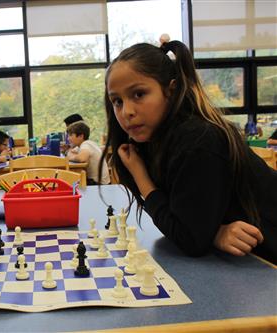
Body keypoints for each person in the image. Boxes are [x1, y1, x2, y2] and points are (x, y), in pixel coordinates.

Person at [103, 41, 277, 263]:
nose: (127, 111)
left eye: (139, 94)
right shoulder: (153, 143)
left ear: (171, 90)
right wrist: (211, 233)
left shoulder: (197, 139)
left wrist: (140, 175)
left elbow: (190, 240)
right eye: (117, 101)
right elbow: (182, 224)